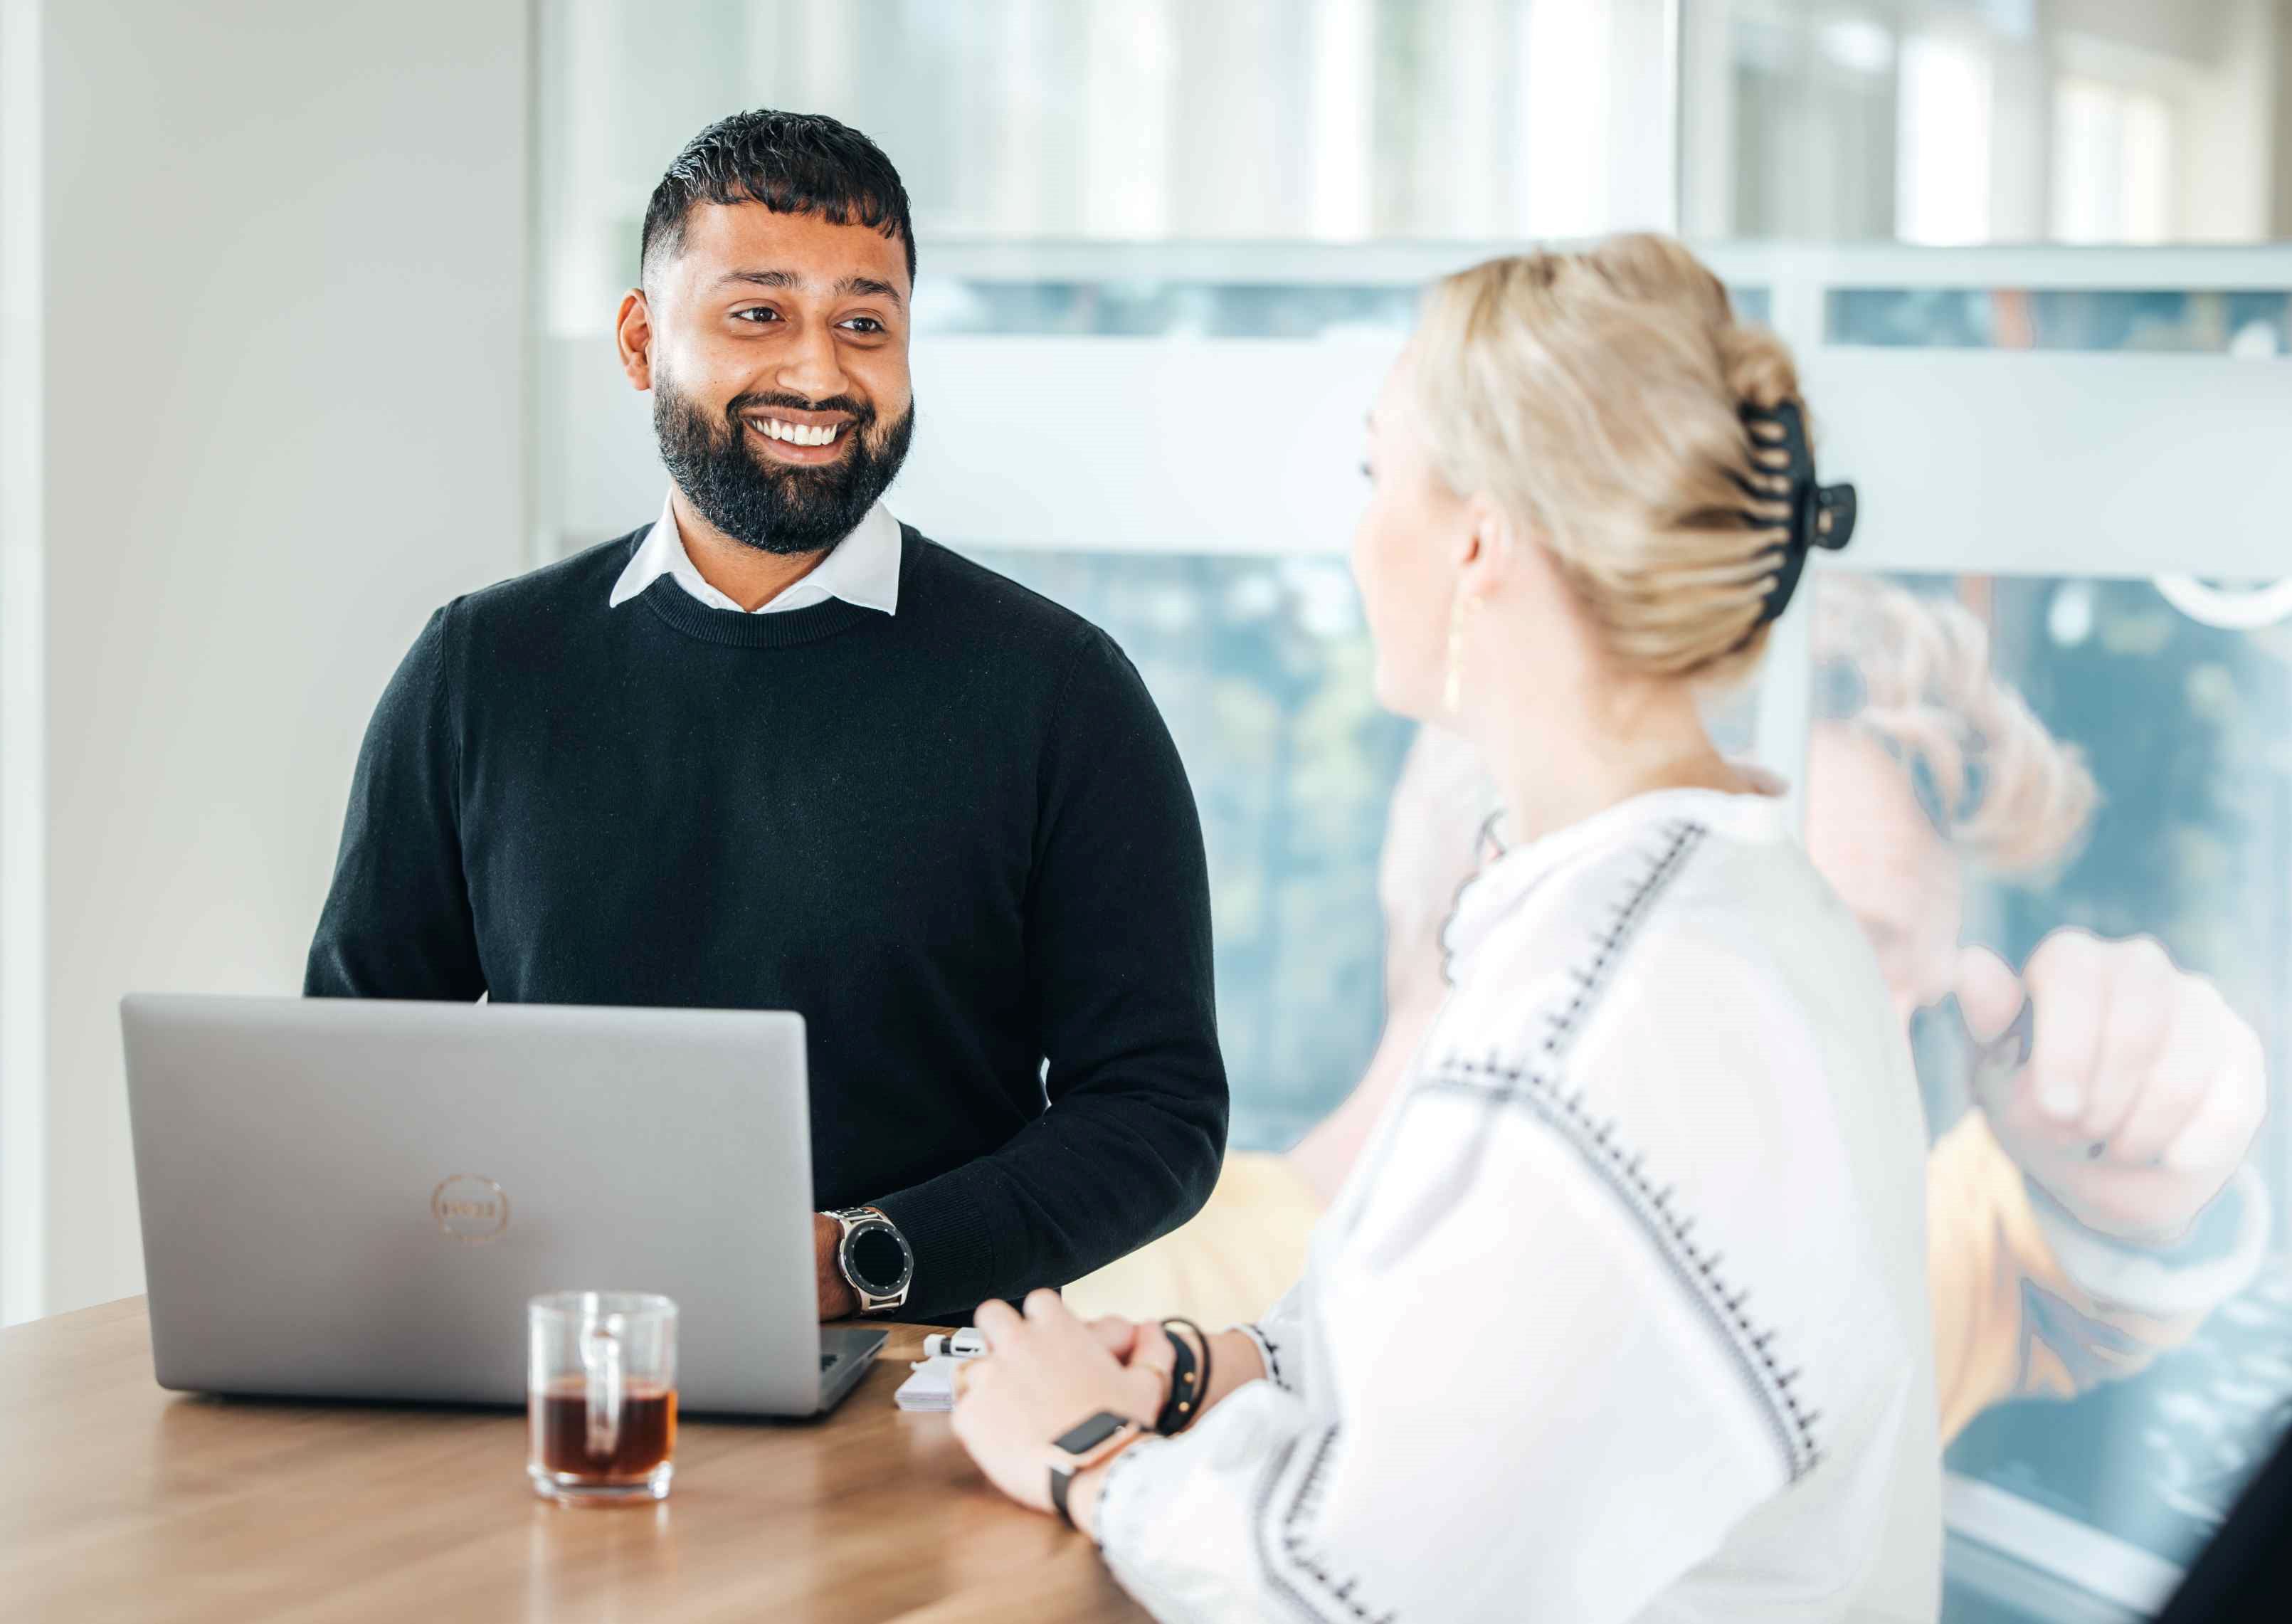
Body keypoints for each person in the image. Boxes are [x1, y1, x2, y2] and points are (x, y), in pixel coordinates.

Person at [951, 235, 1943, 1621]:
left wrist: (1082, 1449)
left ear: (1478, 535)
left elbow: (1339, 1584)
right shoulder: (1745, 909)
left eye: (1377, 476)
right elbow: (1489, 1374)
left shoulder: (1601, 1005)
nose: (1360, 537)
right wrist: (1206, 1368)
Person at [304, 110, 1227, 1323]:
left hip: (918, 1395)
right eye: (758, 314)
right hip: (555, 1370)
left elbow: (1156, 1108)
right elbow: (354, 1073)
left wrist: (862, 1259)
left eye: (864, 323)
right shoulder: (478, 669)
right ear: (642, 340)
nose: (817, 373)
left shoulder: (1061, 688)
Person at [1065, 576, 2271, 1446]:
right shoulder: (1085, 1309)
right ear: (1527, 888)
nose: (1885, 1076)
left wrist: (2146, 1124)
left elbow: (2086, 1261)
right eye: (1829, 967)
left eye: (1902, 1007)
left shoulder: (1801, 1285)